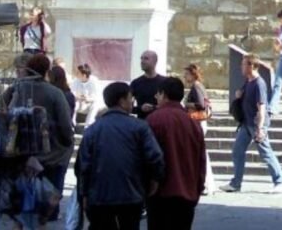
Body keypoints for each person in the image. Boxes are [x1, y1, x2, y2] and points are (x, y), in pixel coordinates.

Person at [76, 81, 165, 230]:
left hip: (99, 196)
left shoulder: (93, 130)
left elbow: (83, 165)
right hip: (131, 195)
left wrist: (84, 194)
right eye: (131, 98)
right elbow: (155, 157)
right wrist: (154, 181)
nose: (132, 102)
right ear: (122, 101)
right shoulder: (139, 127)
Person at [2, 53, 75, 222]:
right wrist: (67, 141)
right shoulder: (55, 93)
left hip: (24, 152)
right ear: (46, 71)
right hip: (52, 154)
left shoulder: (18, 89)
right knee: (49, 198)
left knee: (24, 200)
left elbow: (7, 113)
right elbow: (65, 124)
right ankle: (46, 218)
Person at [146, 76, 206, 230]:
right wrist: (197, 189)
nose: (155, 97)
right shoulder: (193, 123)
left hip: (161, 193)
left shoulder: (154, 120)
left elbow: (148, 158)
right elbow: (201, 161)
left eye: (158, 94)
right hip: (187, 192)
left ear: (164, 94)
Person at [223, 54, 282, 193]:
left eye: (244, 64)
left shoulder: (259, 84)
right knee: (237, 151)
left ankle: (279, 181)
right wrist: (239, 95)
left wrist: (260, 128)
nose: (241, 67)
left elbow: (262, 107)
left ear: (251, 66)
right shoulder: (248, 81)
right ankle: (236, 183)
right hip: (246, 124)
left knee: (266, 152)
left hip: (256, 124)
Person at [182, 63, 216, 195]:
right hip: (200, 122)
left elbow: (200, 105)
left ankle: (207, 184)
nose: (185, 76)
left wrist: (187, 104)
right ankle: (206, 184)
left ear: (192, 74)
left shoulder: (196, 87)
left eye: (186, 74)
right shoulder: (198, 86)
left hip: (198, 122)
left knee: (201, 154)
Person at [130, 49, 168, 120]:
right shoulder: (136, 83)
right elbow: (128, 107)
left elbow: (171, 105)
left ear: (155, 62)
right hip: (142, 123)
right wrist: (140, 108)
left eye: (146, 59)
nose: (142, 61)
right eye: (141, 58)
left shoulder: (165, 82)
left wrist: (156, 107)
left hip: (161, 123)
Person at [71, 63, 99, 127]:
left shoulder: (94, 81)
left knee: (95, 105)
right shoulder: (76, 80)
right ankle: (72, 124)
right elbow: (72, 93)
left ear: (84, 75)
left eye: (78, 73)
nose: (76, 74)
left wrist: (88, 99)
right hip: (79, 102)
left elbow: (96, 96)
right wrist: (77, 97)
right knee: (72, 103)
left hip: (89, 103)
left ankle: (88, 126)